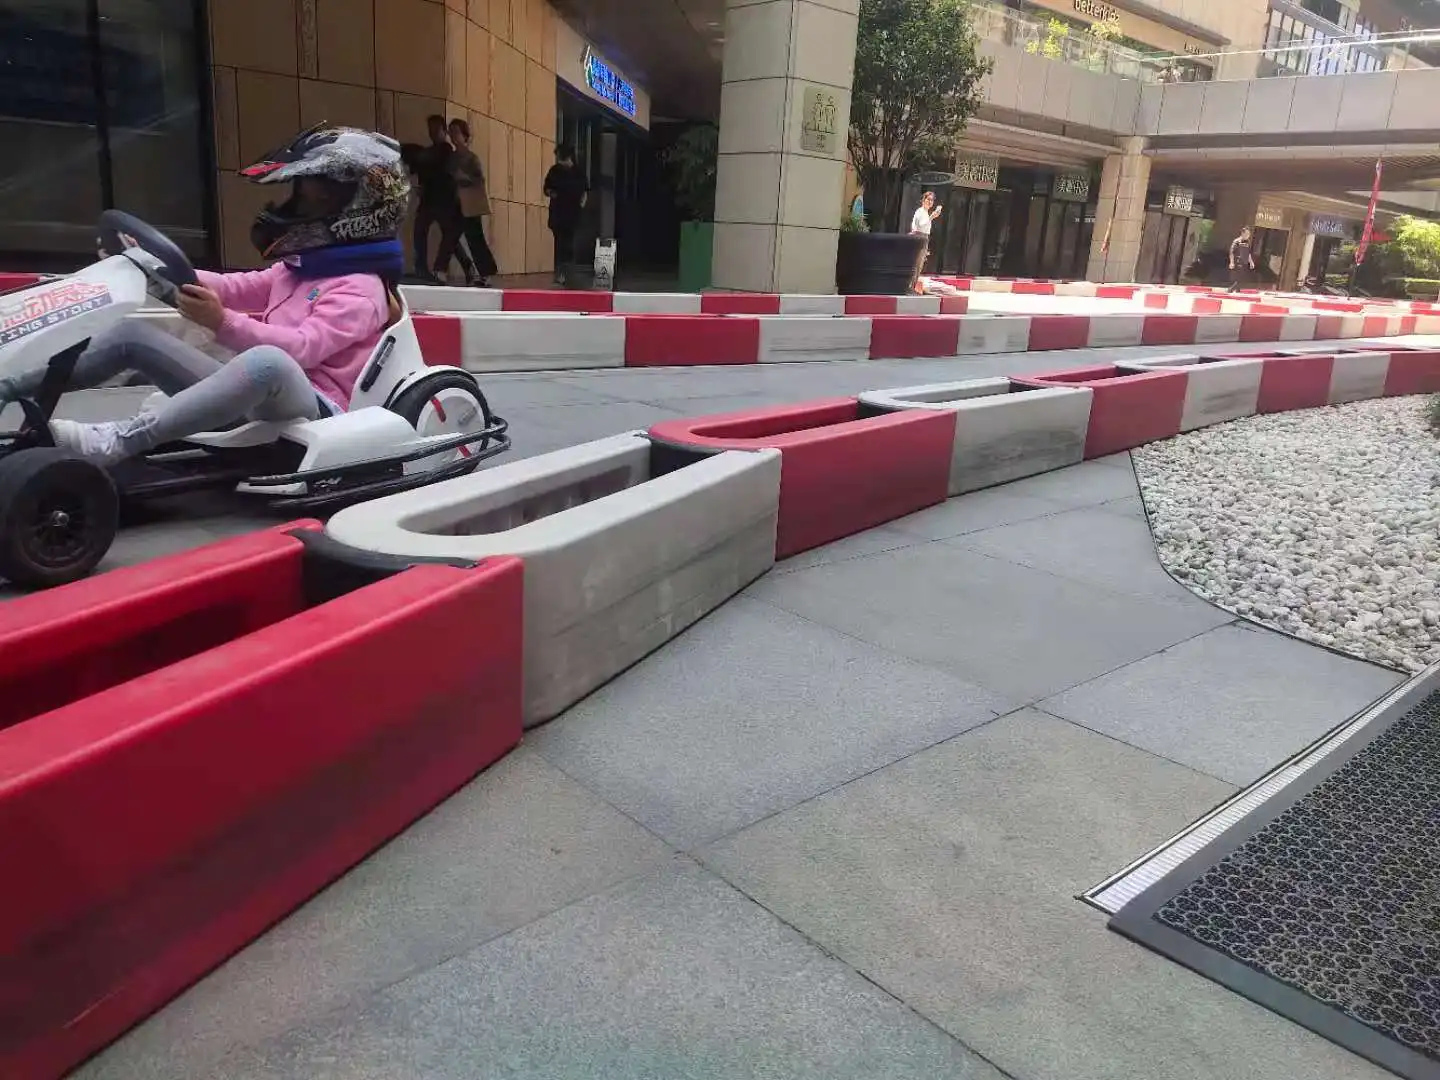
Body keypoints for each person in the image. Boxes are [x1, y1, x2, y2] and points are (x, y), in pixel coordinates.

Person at [0, 125, 410, 465]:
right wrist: (146, 261)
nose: (297, 204)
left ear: (359, 210)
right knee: (131, 336)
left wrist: (222, 322)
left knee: (269, 361)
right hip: (249, 391)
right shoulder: (301, 268)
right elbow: (234, 287)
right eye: (301, 193)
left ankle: (120, 440)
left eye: (313, 196)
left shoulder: (361, 288)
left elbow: (302, 350)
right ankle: (8, 388)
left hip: (312, 407)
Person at [407, 115, 476, 284]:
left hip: (444, 201)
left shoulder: (446, 150)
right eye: (430, 129)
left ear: (443, 131)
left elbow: (432, 165)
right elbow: (420, 167)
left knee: (449, 239)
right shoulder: (430, 152)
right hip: (429, 200)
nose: (432, 133)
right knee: (422, 231)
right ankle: (422, 269)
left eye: (436, 129)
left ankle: (467, 266)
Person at [447, 118, 498, 287]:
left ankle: (486, 273)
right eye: (450, 132)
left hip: (469, 204)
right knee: (450, 238)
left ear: (465, 135)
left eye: (456, 132)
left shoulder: (471, 158)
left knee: (475, 239)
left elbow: (479, 180)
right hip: (454, 202)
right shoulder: (451, 157)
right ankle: (469, 269)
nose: (453, 136)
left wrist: (464, 178)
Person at [543, 144, 588, 287]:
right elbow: (547, 189)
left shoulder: (578, 172)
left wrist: (580, 205)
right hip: (558, 212)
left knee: (568, 243)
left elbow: (585, 192)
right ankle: (561, 273)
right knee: (560, 242)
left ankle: (567, 273)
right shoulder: (555, 171)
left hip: (572, 213)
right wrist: (553, 194)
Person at [909, 190, 943, 294]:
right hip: (919, 237)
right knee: (916, 264)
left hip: (924, 238)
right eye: (928, 199)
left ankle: (912, 287)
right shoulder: (920, 211)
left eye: (932, 200)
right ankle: (910, 287)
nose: (930, 202)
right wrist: (932, 217)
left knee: (919, 265)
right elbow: (920, 225)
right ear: (923, 200)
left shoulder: (925, 213)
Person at [1228, 225, 1255, 292]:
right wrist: (1231, 262)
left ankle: (1237, 290)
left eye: (1249, 234)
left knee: (1242, 278)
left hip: (1244, 262)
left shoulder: (1248, 242)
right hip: (1237, 261)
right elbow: (1231, 252)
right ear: (1242, 233)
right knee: (1240, 278)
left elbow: (1248, 253)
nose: (1248, 235)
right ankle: (1230, 290)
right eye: (1247, 233)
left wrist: (1251, 262)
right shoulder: (1237, 241)